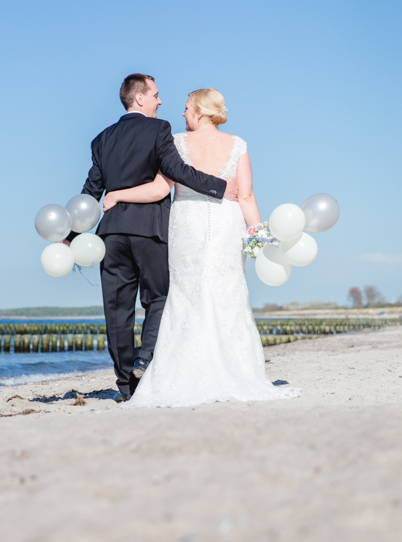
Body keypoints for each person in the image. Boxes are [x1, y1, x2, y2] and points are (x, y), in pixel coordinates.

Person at [102, 87, 301, 407]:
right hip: (227, 225)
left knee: (185, 293)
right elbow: (246, 197)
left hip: (187, 226)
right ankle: (234, 370)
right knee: (228, 290)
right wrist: (260, 243)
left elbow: (157, 189)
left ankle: (181, 372)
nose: (181, 113)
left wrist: (117, 195)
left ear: (199, 111)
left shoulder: (177, 143)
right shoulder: (237, 145)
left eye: (185, 108)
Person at [70, 74, 239, 402]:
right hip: (150, 230)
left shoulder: (101, 139)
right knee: (159, 298)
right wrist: (219, 187)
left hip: (111, 234)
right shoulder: (159, 130)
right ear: (140, 99)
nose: (161, 102)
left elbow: (90, 193)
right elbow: (177, 171)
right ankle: (145, 360)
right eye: (156, 95)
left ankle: (125, 386)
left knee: (117, 311)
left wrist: (71, 234)